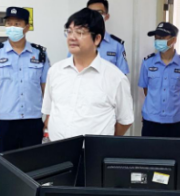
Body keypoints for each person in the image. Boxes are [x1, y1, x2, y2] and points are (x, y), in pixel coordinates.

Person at [43, 8, 134, 141]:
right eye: (69, 31)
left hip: (94, 151)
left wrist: (103, 143)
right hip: (58, 149)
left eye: (80, 32)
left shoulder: (115, 78)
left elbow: (125, 121)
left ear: (97, 39)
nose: (72, 37)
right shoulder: (55, 71)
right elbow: (49, 111)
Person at [0, 7, 50, 153]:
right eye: (9, 23)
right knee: (6, 162)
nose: (12, 27)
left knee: (32, 162)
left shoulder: (40, 54)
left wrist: (49, 116)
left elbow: (47, 88)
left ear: (27, 27)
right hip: (4, 121)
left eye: (17, 24)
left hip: (33, 120)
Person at [139, 22, 180, 138]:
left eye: (162, 38)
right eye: (156, 38)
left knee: (174, 150)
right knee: (149, 150)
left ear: (174, 40)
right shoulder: (147, 62)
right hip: (151, 120)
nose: (158, 41)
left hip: (175, 121)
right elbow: (146, 89)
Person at [86, 0, 130, 75]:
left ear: (106, 16)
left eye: (99, 12)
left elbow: (122, 76)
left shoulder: (117, 45)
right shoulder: (77, 42)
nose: (94, 16)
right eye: (90, 13)